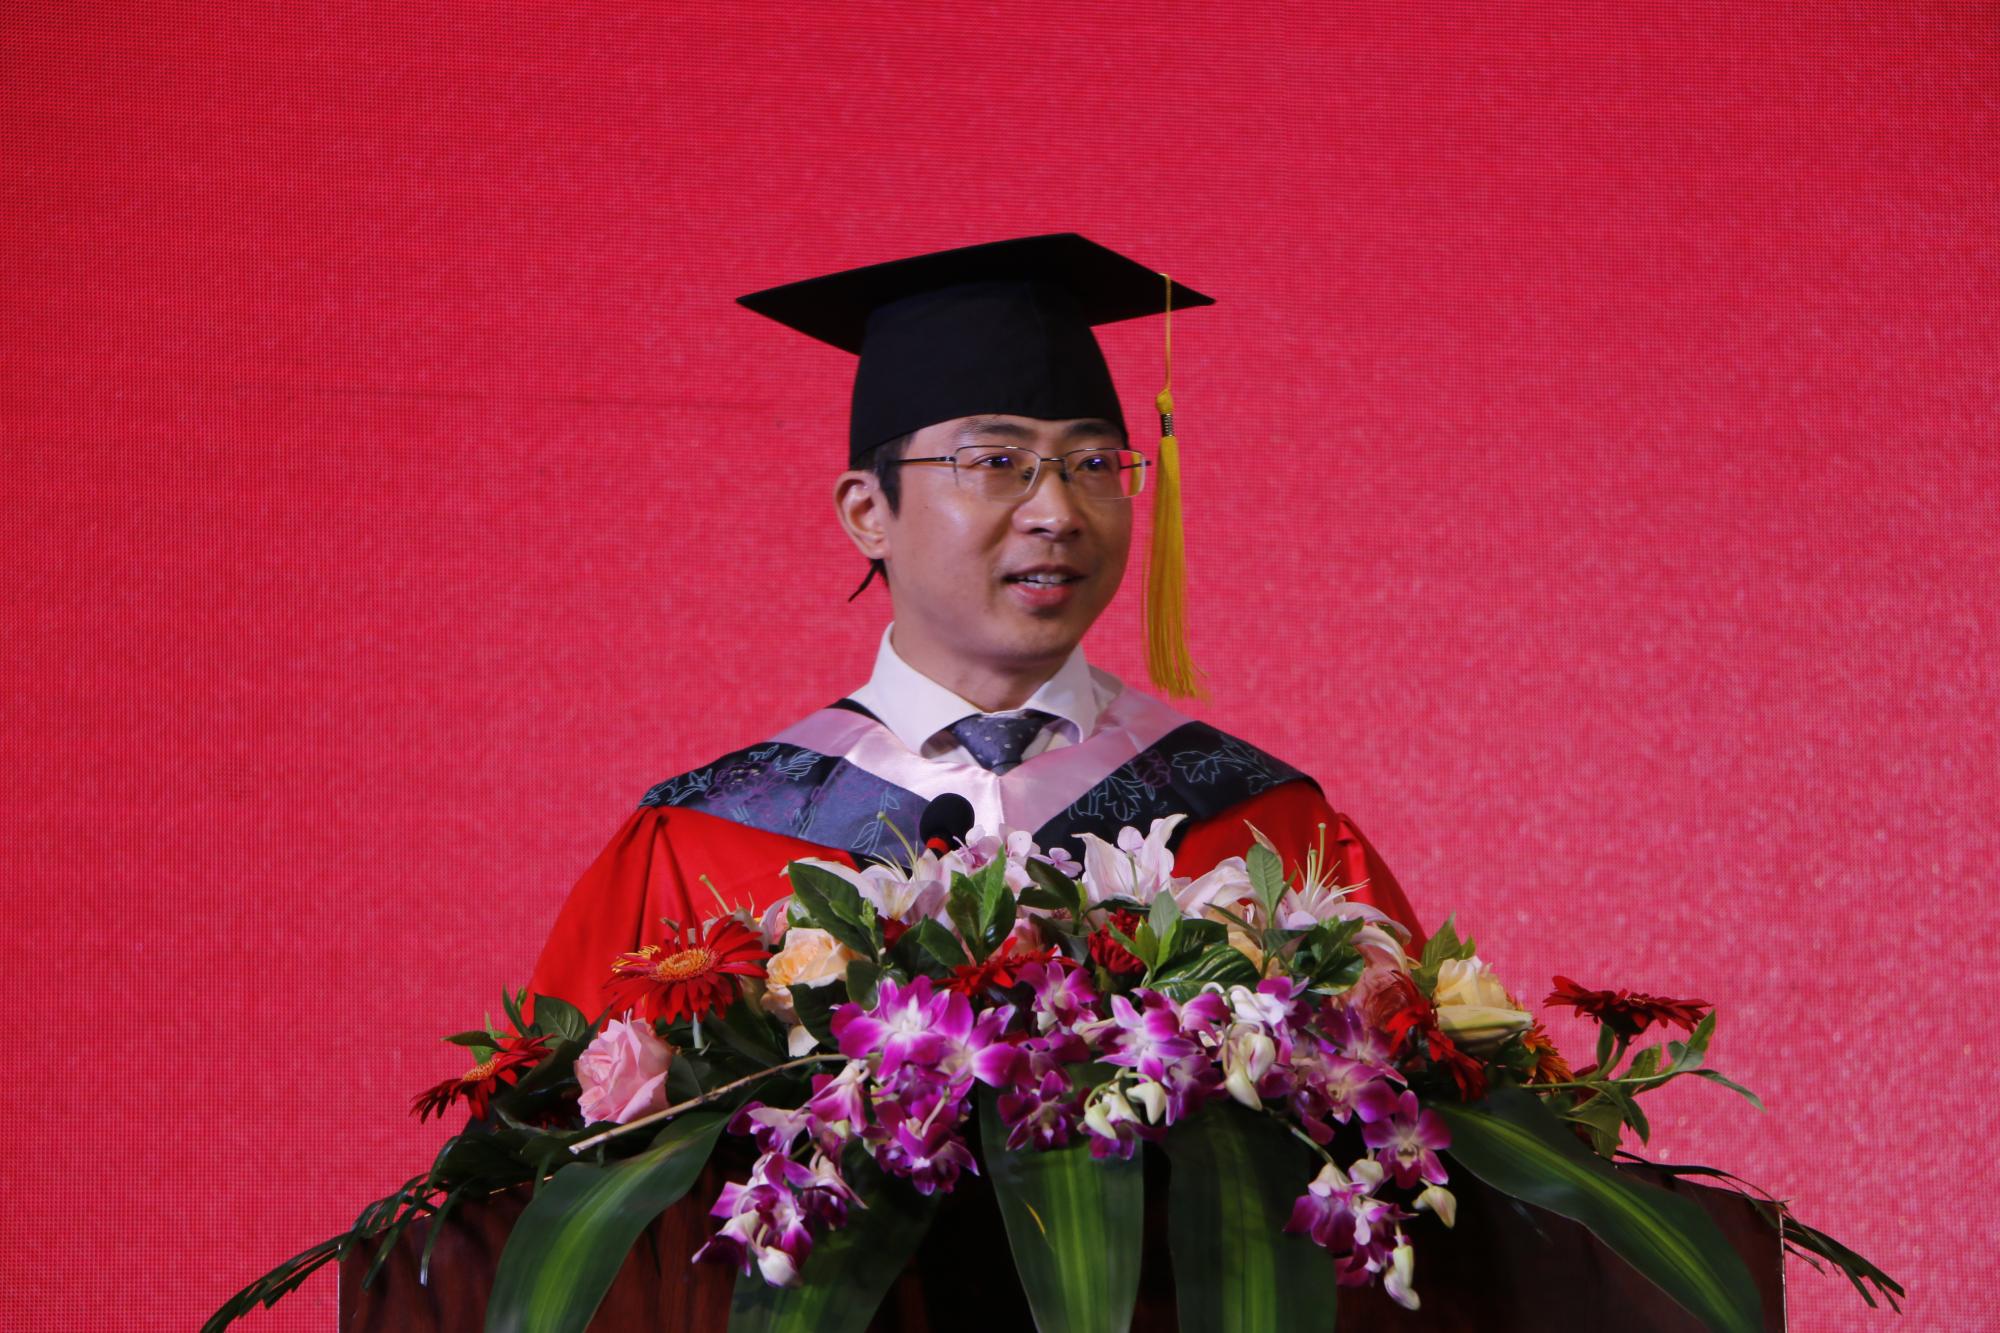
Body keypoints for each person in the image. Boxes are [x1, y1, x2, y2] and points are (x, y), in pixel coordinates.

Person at [526, 232, 1423, 1025]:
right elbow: (564, 1142)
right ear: (868, 512)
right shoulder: (711, 840)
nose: (1058, 511)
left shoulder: (1267, 827)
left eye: (1093, 463)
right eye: (996, 461)